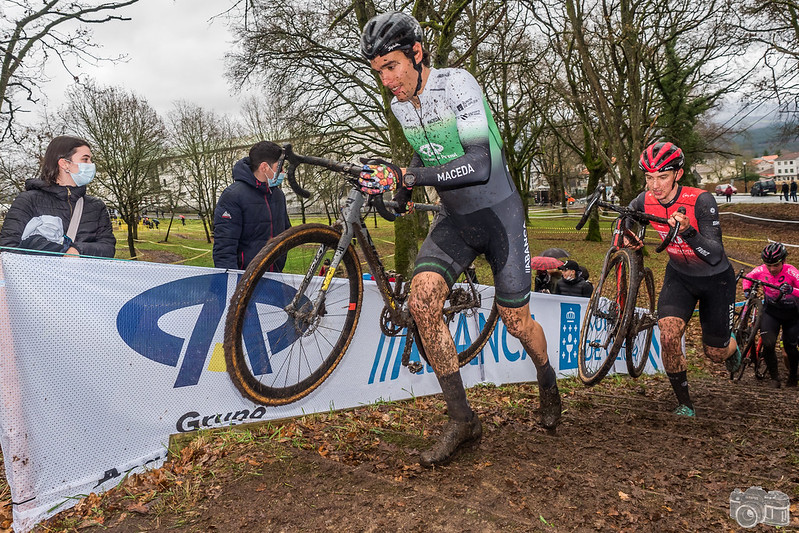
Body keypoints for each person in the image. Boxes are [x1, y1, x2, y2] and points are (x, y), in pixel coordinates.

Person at [359, 12, 561, 467]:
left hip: (499, 216)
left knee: (517, 323)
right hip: (455, 218)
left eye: (392, 65)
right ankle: (463, 418)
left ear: (417, 53)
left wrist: (409, 175)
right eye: (379, 72)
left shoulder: (458, 85)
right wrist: (404, 193)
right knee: (424, 299)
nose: (388, 79)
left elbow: (478, 164)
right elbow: (423, 149)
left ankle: (546, 378)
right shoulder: (400, 104)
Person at [631, 141, 740, 417]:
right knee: (668, 336)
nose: (655, 185)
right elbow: (627, 218)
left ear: (677, 174)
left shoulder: (701, 200)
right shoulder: (645, 199)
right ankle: (685, 403)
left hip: (716, 280)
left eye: (662, 177)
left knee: (714, 353)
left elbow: (715, 254)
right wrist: (625, 233)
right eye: (649, 178)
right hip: (680, 276)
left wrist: (689, 232)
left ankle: (732, 346)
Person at [0, 135, 115, 258]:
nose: (91, 165)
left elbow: (108, 248)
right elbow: (8, 247)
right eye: (85, 159)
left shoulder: (96, 206)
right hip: (38, 276)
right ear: (64, 163)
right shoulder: (28, 200)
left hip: (83, 276)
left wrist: (77, 251)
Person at [213, 141, 291, 270]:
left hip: (273, 277)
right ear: (264, 167)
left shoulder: (278, 195)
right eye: (280, 167)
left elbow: (286, 233)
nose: (283, 172)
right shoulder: (233, 195)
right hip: (244, 280)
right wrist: (233, 284)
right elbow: (224, 249)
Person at [741, 243, 799, 388]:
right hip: (771, 312)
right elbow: (748, 277)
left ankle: (792, 376)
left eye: (776, 265)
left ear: (783, 261)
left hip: (792, 315)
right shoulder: (760, 270)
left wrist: (792, 289)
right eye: (769, 265)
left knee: (790, 347)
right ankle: (775, 378)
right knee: (768, 343)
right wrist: (747, 290)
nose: (772, 269)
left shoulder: (791, 272)